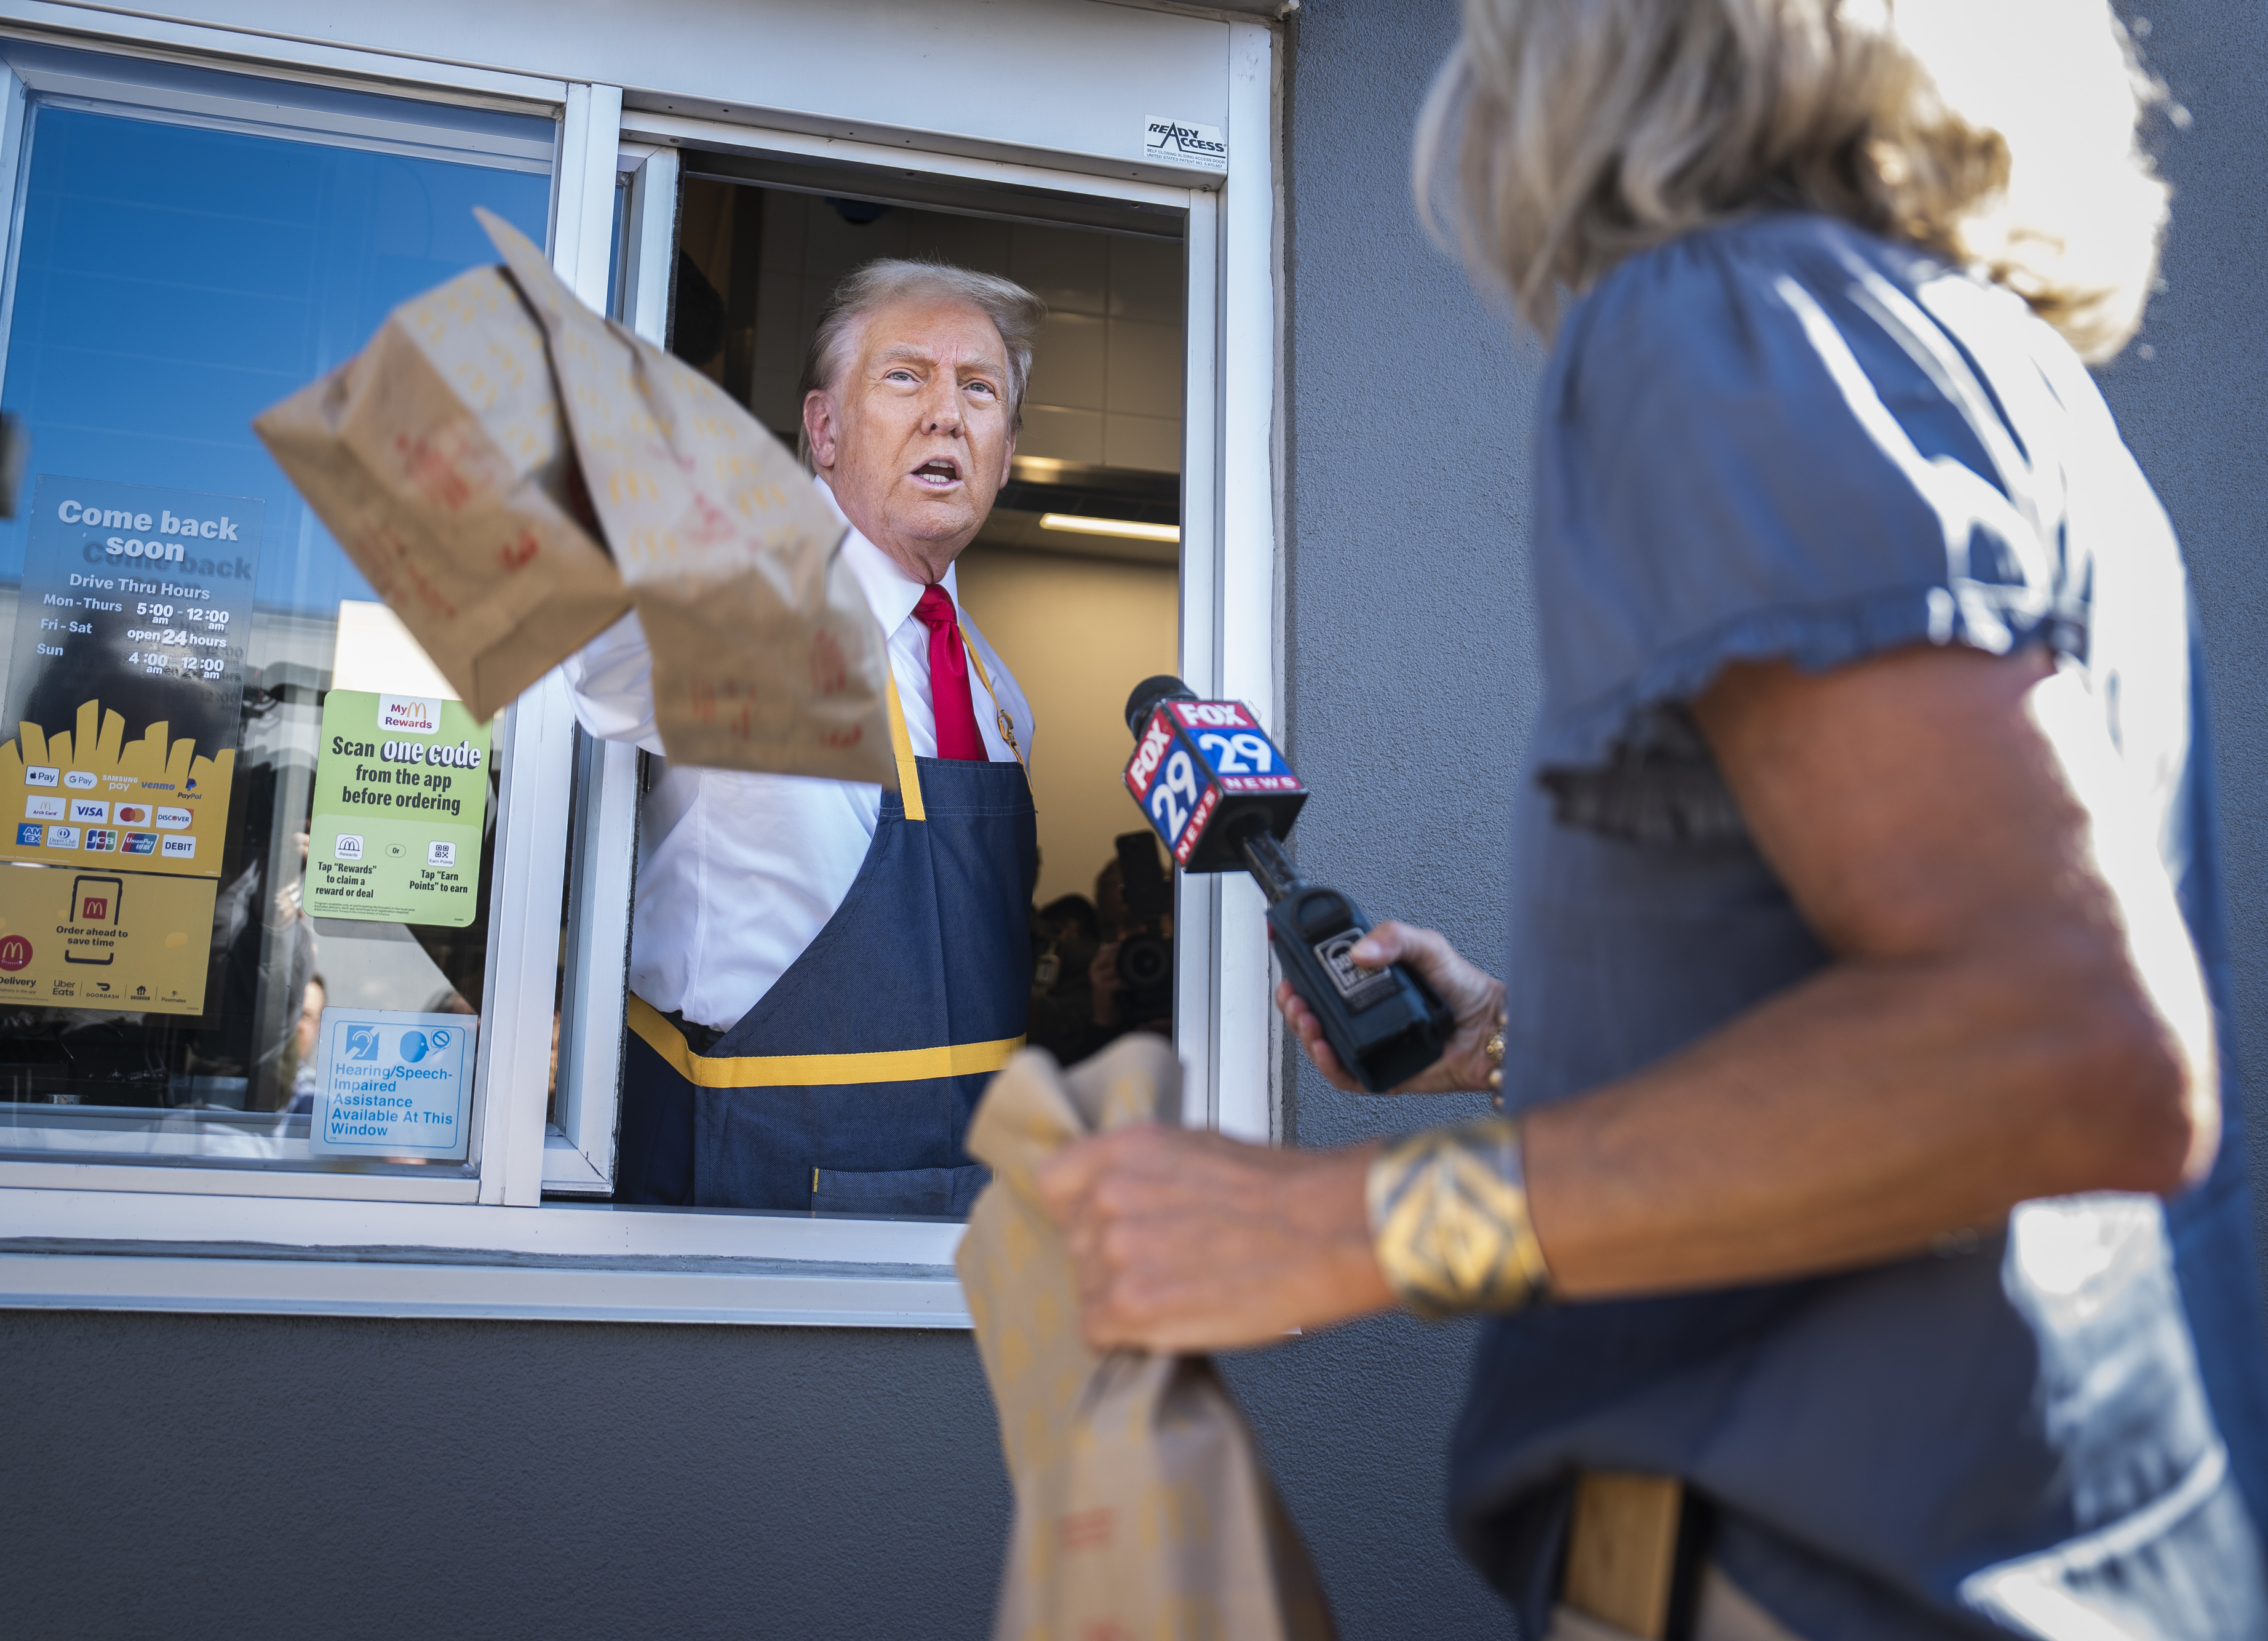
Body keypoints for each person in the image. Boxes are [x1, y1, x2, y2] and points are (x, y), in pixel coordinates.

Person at [1038, 4, 2268, 1639]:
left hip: (1809, 1572)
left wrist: (1326, 1229)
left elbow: (2063, 1052)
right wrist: (1508, 1040)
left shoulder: (1725, 320)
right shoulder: (2003, 381)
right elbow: (1913, 1012)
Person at [565, 260, 1043, 1216]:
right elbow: (604, 659)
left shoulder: (999, 696)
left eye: (979, 389)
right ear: (822, 431)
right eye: (906, 377)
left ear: (1007, 446)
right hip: (755, 1189)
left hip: (962, 1209)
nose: (948, 414)